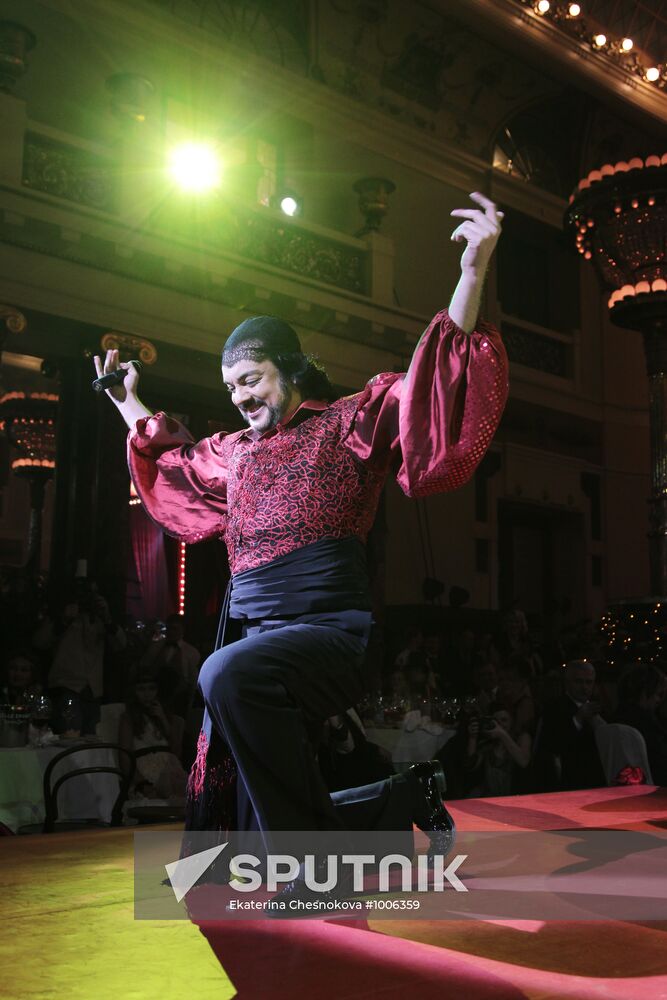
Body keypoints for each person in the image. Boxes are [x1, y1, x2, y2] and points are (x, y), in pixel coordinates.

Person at [94, 192, 508, 904]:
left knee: (224, 677)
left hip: (331, 634)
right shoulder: (235, 454)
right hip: (257, 636)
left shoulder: (349, 422)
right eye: (230, 388)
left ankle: (300, 873)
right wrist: (125, 400)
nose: (240, 398)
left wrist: (471, 271)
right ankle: (394, 803)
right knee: (243, 754)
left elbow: (430, 384)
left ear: (289, 369)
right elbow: (174, 463)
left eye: (250, 381)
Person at [539, 658, 606, 790]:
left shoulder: (599, 708)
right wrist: (578, 719)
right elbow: (553, 744)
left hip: (597, 780)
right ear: (567, 683)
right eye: (579, 681)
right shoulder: (554, 708)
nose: (584, 687)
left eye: (589, 682)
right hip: (569, 783)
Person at [118, 674, 187, 800]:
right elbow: (124, 755)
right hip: (145, 767)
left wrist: (163, 720)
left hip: (171, 766)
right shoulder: (128, 717)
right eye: (141, 689)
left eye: (151, 689)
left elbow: (177, 751)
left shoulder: (169, 717)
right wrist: (141, 782)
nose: (147, 694)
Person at [464, 704, 532, 797]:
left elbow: (524, 761)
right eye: (496, 721)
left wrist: (502, 735)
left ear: (512, 722)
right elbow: (472, 765)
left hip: (516, 798)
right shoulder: (487, 743)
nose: (499, 725)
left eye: (504, 720)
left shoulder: (522, 737)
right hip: (490, 798)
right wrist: (472, 738)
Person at [140, 613, 201, 714]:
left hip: (180, 698)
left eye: (175, 629)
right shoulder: (155, 647)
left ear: (183, 629)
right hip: (156, 695)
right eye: (169, 628)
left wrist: (190, 703)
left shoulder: (191, 652)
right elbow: (145, 666)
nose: (171, 632)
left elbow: (193, 680)